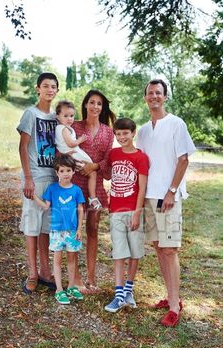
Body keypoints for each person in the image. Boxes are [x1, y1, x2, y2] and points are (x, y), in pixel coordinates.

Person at [136, 79, 196, 327]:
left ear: (165, 97)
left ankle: (174, 306)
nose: (154, 97)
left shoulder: (176, 124)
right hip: (149, 196)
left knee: (170, 250)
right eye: (150, 93)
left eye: (158, 93)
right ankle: (171, 297)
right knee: (159, 247)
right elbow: (140, 165)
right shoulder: (142, 131)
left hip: (168, 196)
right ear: (145, 98)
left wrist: (171, 191)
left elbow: (183, 160)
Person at [17, 72, 59, 294]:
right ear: (38, 89)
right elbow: (23, 147)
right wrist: (28, 178)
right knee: (32, 227)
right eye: (45, 86)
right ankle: (32, 273)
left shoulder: (55, 118)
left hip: (52, 179)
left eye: (53, 87)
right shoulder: (30, 114)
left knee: (45, 229)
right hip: (35, 177)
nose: (49, 90)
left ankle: (45, 271)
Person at [72, 89, 116, 294]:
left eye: (99, 103)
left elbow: (108, 159)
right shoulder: (75, 126)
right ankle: (75, 278)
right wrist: (78, 166)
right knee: (73, 229)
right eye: (92, 102)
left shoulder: (108, 131)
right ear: (85, 105)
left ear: (102, 107)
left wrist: (94, 167)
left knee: (93, 229)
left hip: (95, 185)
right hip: (74, 182)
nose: (95, 106)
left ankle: (91, 277)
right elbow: (64, 150)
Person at [104, 118, 149, 313]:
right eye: (118, 134)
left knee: (135, 252)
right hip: (115, 210)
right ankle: (119, 294)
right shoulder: (113, 154)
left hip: (133, 211)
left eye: (125, 133)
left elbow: (142, 188)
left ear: (133, 133)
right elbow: (106, 173)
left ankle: (129, 289)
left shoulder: (141, 157)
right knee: (119, 253)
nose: (122, 137)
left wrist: (137, 213)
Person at [33, 154, 85, 304]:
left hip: (72, 231)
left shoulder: (76, 190)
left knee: (71, 258)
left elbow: (80, 209)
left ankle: (71, 286)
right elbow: (45, 206)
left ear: (74, 171)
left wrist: (79, 229)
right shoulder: (52, 189)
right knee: (57, 259)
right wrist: (34, 197)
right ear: (57, 173)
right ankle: (59, 290)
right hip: (56, 231)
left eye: (68, 170)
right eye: (62, 171)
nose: (65, 174)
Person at [55, 100, 101, 210]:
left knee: (88, 172)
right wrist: (80, 140)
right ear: (58, 116)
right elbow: (70, 144)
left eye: (71, 115)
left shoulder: (63, 128)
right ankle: (92, 197)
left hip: (70, 154)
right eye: (65, 116)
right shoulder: (63, 129)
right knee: (92, 173)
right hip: (73, 155)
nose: (69, 119)